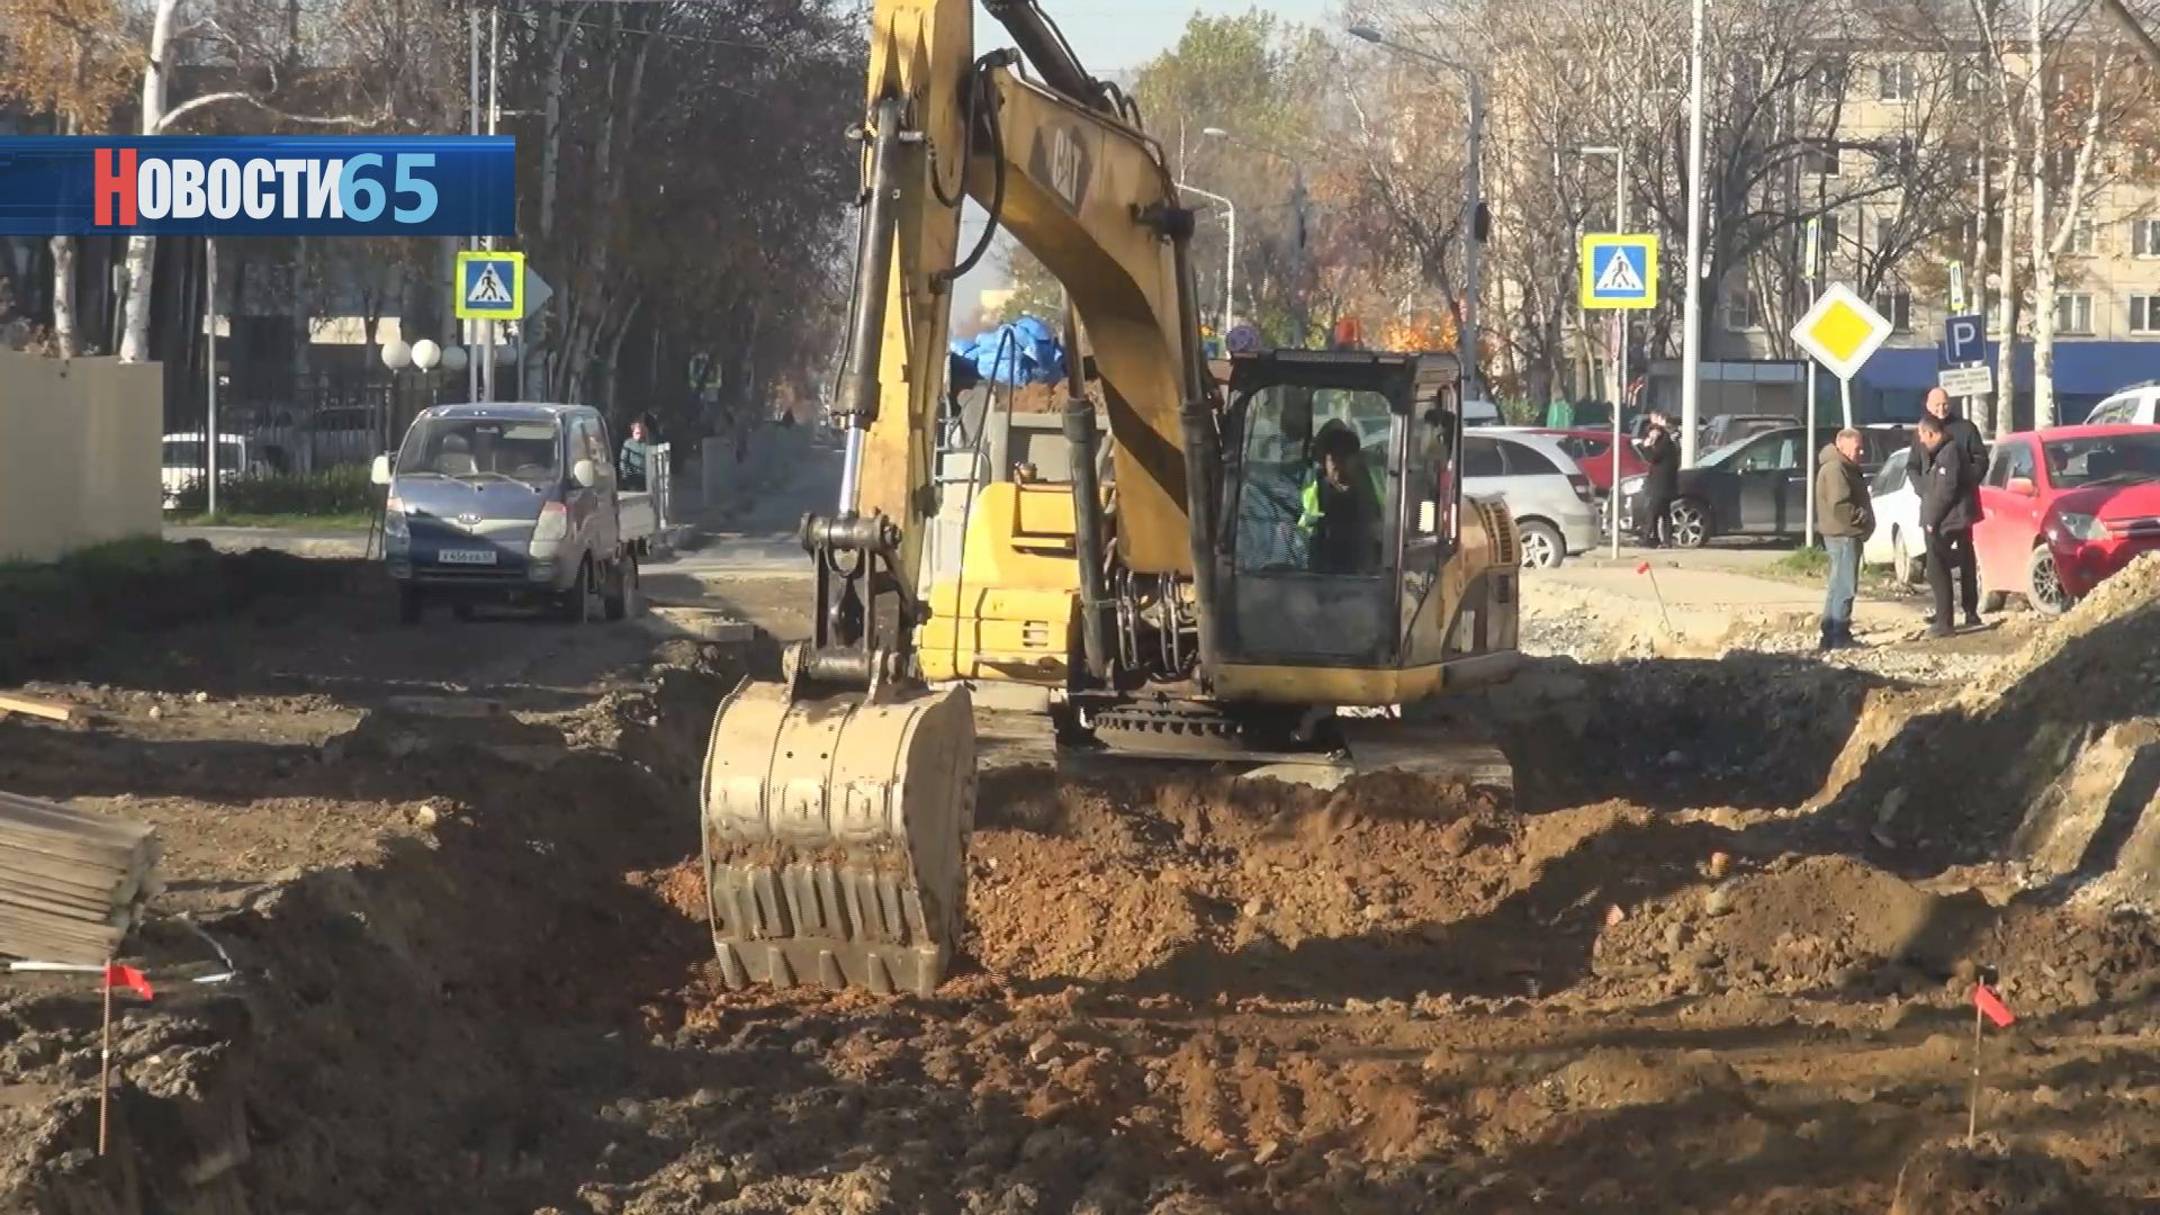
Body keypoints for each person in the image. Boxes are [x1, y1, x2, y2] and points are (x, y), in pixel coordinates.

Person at [1910, 387, 1986, 626]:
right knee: (1935, 562)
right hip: (1935, 502)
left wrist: (1965, 479)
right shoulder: (1922, 431)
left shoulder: (1966, 429)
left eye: (1945, 405)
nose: (1941, 410)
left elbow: (1981, 460)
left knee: (1966, 559)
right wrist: (1925, 489)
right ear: (1927, 406)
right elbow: (1912, 466)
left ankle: (1970, 610)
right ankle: (1942, 610)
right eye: (1936, 406)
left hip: (1961, 505)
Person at [1815, 427, 1875, 651]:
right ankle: (1839, 634)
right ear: (1841, 446)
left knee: (1836, 584)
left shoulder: (1841, 466)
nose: (1861, 453)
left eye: (1861, 448)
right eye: (1857, 449)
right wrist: (1860, 519)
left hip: (1840, 533)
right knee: (1845, 585)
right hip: (1844, 533)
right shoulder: (1836, 468)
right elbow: (1840, 504)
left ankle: (1830, 633)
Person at [1298, 421, 1379, 574]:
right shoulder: (1312, 489)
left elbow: (1374, 532)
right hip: (1318, 574)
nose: (1336, 463)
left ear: (1355, 459)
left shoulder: (1370, 488)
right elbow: (1301, 533)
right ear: (1323, 461)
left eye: (1343, 456)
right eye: (1331, 457)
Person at [1632, 410, 1679, 546]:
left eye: (1652, 432)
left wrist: (1645, 446)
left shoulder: (1664, 444)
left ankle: (1647, 538)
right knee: (1663, 513)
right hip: (1663, 484)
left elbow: (1652, 458)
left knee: (1653, 512)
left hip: (1661, 485)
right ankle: (1662, 540)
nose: (1650, 435)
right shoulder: (1664, 443)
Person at [618, 418, 651, 490]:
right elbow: (623, 460)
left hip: (645, 476)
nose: (639, 435)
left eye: (641, 433)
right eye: (637, 433)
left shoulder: (647, 444)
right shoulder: (628, 443)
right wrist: (625, 474)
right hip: (632, 476)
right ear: (633, 432)